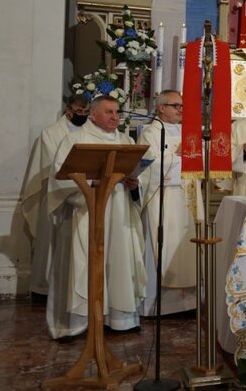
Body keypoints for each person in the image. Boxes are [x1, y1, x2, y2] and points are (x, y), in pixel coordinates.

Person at [45, 96, 146, 339]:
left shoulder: (126, 141)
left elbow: (138, 177)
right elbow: (60, 178)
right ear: (92, 114)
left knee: (119, 261)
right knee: (84, 263)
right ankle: (78, 323)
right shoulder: (75, 140)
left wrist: (134, 185)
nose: (115, 117)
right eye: (108, 112)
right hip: (86, 212)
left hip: (119, 211)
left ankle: (120, 319)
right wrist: (92, 183)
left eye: (117, 112)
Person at [137, 90, 203, 315]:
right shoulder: (150, 134)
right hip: (163, 197)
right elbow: (149, 166)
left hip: (188, 196)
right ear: (161, 108)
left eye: (182, 106)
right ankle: (159, 307)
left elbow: (200, 160)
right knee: (163, 247)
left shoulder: (187, 132)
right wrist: (179, 157)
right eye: (176, 106)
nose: (180, 110)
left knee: (187, 247)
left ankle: (188, 303)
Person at [19, 93, 90, 297]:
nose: (83, 115)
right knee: (51, 243)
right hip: (58, 195)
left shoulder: (89, 132)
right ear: (68, 110)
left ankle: (74, 288)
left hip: (84, 193)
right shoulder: (51, 133)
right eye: (79, 111)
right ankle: (44, 288)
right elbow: (54, 165)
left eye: (86, 112)